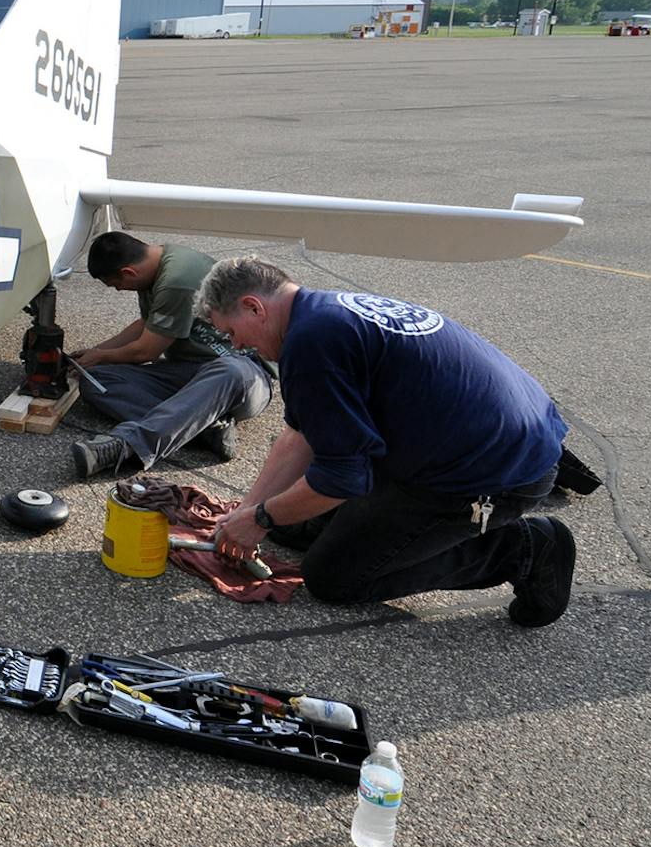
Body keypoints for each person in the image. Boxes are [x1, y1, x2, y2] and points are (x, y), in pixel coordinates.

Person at [195, 256, 577, 627]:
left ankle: (525, 548)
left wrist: (259, 518)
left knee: (334, 576)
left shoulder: (311, 343)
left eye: (231, 333)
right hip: (474, 443)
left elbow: (342, 479)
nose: (236, 347)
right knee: (292, 523)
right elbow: (299, 435)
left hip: (495, 473)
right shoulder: (320, 314)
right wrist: (249, 512)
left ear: (254, 307)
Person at [66, 232, 275, 480]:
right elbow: (146, 324)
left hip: (245, 375)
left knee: (229, 370)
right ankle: (205, 429)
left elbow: (146, 351)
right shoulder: (154, 267)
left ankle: (127, 446)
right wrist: (95, 354)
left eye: (116, 285)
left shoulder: (176, 280)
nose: (120, 290)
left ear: (128, 272)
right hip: (191, 369)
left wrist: (101, 356)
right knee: (95, 380)